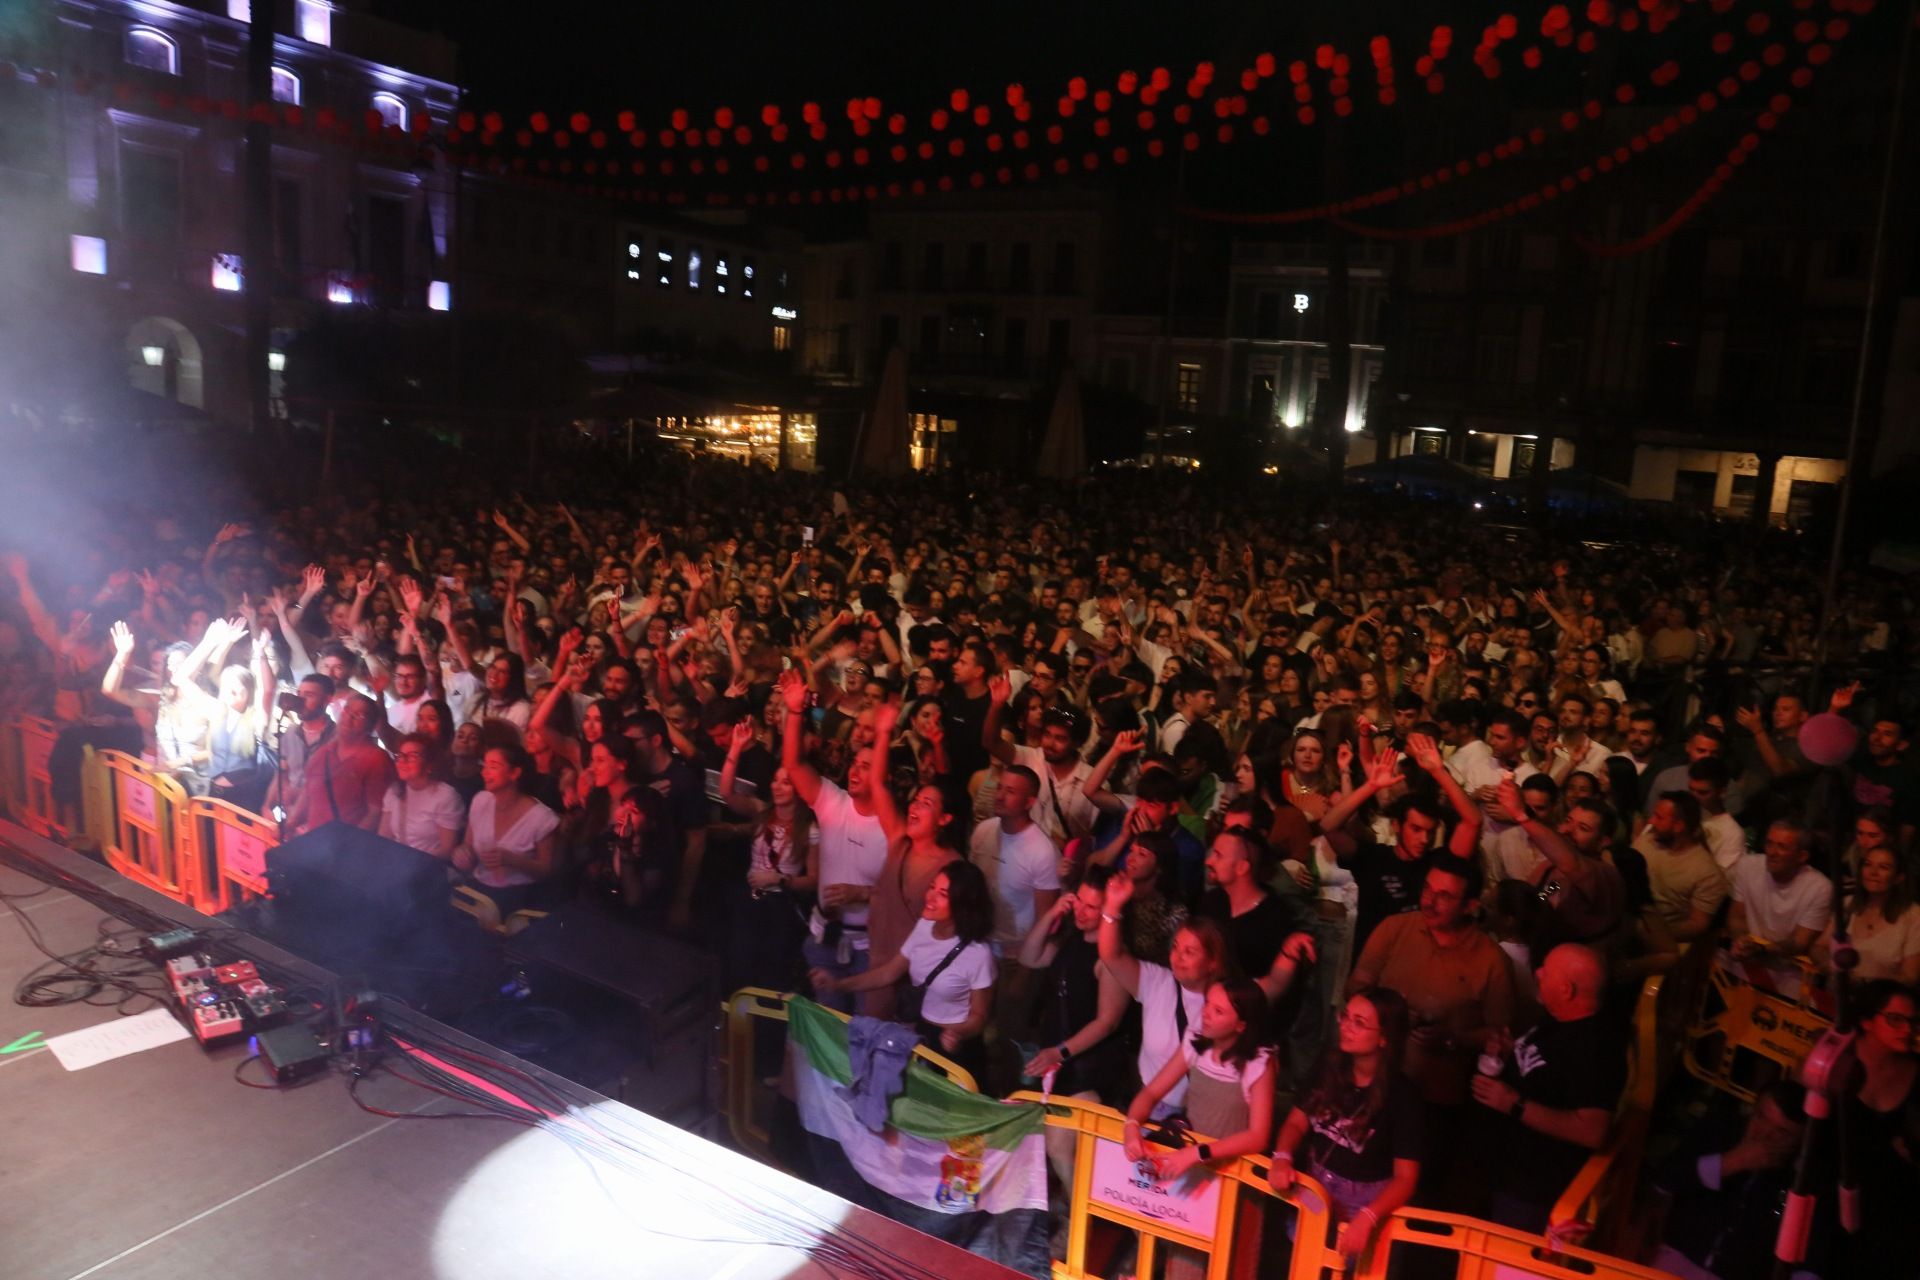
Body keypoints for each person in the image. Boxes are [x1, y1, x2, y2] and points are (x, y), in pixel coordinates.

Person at [1123, 977, 1276, 1280]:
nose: (1206, 1013)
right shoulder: (1195, 1043)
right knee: (1182, 1263)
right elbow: (1150, 1093)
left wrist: (1197, 1153)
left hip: (1233, 1176)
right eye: (1207, 1004)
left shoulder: (1259, 1063)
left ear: (1241, 1025)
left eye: (1218, 1011)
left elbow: (1258, 1136)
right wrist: (1131, 1126)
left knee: (1230, 1266)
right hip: (1193, 1170)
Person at [1469, 943, 1626, 1232]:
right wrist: (1511, 1052)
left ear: (1566, 990)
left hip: (1531, 1191)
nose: (1538, 972)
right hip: (1503, 1169)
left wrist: (1515, 1105)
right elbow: (1546, 1069)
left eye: (1546, 971)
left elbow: (1592, 1131)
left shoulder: (1596, 1049)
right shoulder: (1558, 1019)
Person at [1270, 988, 1422, 1267]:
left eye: (1359, 1023)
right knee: (1303, 1264)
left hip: (1364, 1205)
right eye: (1346, 1017)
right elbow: (1295, 1121)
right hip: (1315, 1189)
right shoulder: (1329, 1066)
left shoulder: (1402, 1096)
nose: (1346, 1027)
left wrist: (1368, 1217)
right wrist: (1282, 1156)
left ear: (1384, 1037)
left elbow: (1406, 1178)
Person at [811, 861, 997, 1080]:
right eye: (932, 887)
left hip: (957, 1047)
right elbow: (889, 972)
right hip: (922, 1035)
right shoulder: (924, 926)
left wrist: (958, 1033)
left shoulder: (978, 953)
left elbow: (979, 1016)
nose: (931, 897)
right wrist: (838, 985)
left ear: (963, 904)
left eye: (943, 894)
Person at [782, 671, 888, 1011]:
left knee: (862, 1027)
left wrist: (863, 894)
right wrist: (795, 712)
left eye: (866, 767)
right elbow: (793, 764)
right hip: (824, 937)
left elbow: (906, 896)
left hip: (868, 947)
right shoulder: (833, 801)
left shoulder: (893, 826)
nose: (855, 771)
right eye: (855, 764)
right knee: (827, 1023)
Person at [1097, 871, 1232, 1117]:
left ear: (1213, 962)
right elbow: (1111, 955)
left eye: (1190, 952)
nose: (1178, 957)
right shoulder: (1157, 981)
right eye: (1176, 947)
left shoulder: (1228, 1001)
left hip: (1201, 1115)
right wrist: (1112, 906)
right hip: (1151, 1104)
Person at [1651, 1083, 1816, 1280]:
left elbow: (1813, 1257)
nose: (1763, 1134)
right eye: (1761, 1117)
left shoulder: (1803, 1180)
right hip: (1676, 1259)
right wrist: (1732, 1162)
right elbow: (1663, 1182)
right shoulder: (1720, 1131)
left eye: (1781, 1132)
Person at [716, 720, 818, 994]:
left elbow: (813, 880)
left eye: (786, 783)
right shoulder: (763, 811)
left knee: (770, 974)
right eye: (775, 780)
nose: (777, 787)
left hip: (779, 907)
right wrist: (736, 747)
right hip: (749, 900)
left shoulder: (809, 828)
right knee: (738, 967)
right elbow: (726, 792)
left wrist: (779, 879)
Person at [1838, 980, 1920, 1280]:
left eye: (1912, 1021)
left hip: (1892, 1206)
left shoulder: (1916, 1073)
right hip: (1833, 1189)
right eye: (1895, 1019)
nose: (1907, 1029)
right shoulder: (1836, 1064)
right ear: (1867, 1021)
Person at [450, 743, 562, 915]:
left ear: (514, 773)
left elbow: (547, 871)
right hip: (479, 890)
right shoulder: (481, 800)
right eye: (485, 765)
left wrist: (513, 860)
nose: (485, 772)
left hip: (519, 897)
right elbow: (468, 846)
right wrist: (462, 854)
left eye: (493, 766)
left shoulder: (541, 818)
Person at [1634, 791, 1730, 958]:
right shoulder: (1646, 842)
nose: (1651, 822)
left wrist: (1652, 934)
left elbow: (1698, 923)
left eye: (1658, 817)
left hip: (1658, 945)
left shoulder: (1706, 872)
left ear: (1679, 826)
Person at [1727, 820, 1832, 969]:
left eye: (1782, 847)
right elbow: (1737, 917)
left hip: (1787, 971)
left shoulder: (1819, 887)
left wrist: (1761, 949)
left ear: (1802, 856)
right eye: (1769, 843)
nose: (1772, 852)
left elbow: (1799, 942)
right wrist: (1741, 940)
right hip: (1747, 962)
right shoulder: (1747, 866)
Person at [288, 693, 395, 835]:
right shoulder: (324, 752)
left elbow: (376, 813)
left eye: (359, 715)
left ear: (370, 726)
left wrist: (348, 842)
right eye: (347, 710)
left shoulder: (377, 760)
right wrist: (290, 824)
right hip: (315, 840)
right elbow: (308, 793)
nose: (348, 718)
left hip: (348, 844)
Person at [1814, 842, 1920, 983]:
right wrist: (1831, 966)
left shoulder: (1914, 916)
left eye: (1883, 867)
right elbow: (1819, 947)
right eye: (1868, 864)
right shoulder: (1848, 904)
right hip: (1837, 994)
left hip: (1879, 996)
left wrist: (1862, 982)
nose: (1873, 872)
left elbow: (1909, 977)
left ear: (1898, 878)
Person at [377, 733, 464, 859]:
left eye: (412, 756)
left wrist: (413, 863)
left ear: (429, 764)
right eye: (400, 756)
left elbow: (446, 849)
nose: (403, 761)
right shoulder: (394, 791)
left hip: (427, 864)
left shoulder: (446, 796)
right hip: (395, 860)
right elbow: (384, 835)